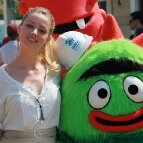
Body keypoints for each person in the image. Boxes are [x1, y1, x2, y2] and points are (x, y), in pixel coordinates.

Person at [0, 7, 61, 143]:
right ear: (19, 28)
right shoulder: (2, 78)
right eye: (29, 26)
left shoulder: (55, 72)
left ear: (48, 38)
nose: (34, 32)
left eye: (42, 30)